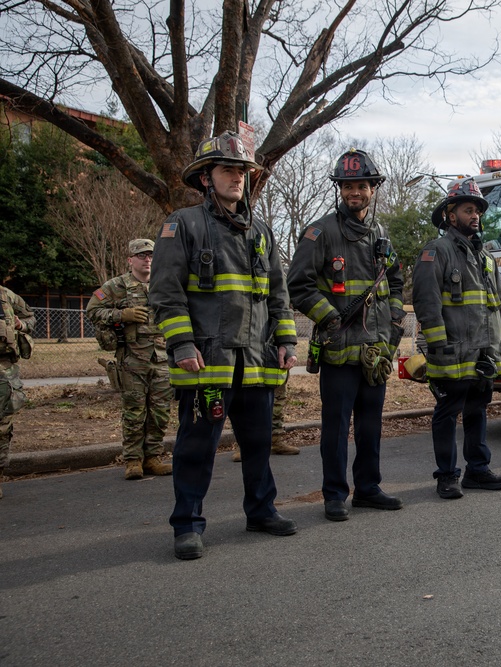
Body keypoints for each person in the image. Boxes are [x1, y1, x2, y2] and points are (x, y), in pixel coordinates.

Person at [149, 131, 299, 560]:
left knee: (258, 444)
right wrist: (181, 344)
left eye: (242, 171)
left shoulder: (263, 231)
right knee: (196, 448)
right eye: (228, 170)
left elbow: (278, 295)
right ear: (205, 178)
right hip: (207, 363)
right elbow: (165, 293)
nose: (237, 178)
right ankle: (188, 525)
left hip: (256, 363)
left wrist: (286, 339)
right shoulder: (183, 225)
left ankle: (262, 511)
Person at [286, 148, 405, 521]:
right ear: (340, 189)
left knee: (370, 425)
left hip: (375, 351)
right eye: (347, 186)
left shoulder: (381, 232)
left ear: (373, 188)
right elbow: (298, 285)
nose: (355, 192)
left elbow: (397, 281)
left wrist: (395, 326)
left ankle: (368, 488)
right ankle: (334, 495)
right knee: (336, 428)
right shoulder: (319, 232)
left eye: (362, 185)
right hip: (338, 350)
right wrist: (331, 319)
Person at [411, 179, 501, 499]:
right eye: (468, 209)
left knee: (477, 411)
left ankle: (477, 471)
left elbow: (500, 304)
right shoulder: (435, 251)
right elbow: (427, 302)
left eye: (478, 210)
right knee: (446, 411)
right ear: (450, 215)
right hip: (451, 353)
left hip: (484, 353)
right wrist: (439, 346)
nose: (475, 216)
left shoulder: (487, 257)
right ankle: (446, 476)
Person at [86, 239, 173, 480]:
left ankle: (153, 457)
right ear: (130, 260)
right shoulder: (116, 286)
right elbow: (92, 311)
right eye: (141, 255)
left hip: (162, 358)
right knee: (134, 411)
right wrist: (121, 315)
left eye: (151, 255)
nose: (147, 260)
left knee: (160, 411)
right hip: (132, 358)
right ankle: (133, 460)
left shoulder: (165, 284)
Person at [0, 286, 33, 499]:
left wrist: (21, 325)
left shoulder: (6, 295)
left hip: (4, 369)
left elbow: (29, 317)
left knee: (2, 426)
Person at [232, 377, 300, 462]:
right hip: (253, 369)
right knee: (251, 400)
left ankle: (275, 441)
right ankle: (245, 446)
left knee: (278, 401)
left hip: (276, 368)